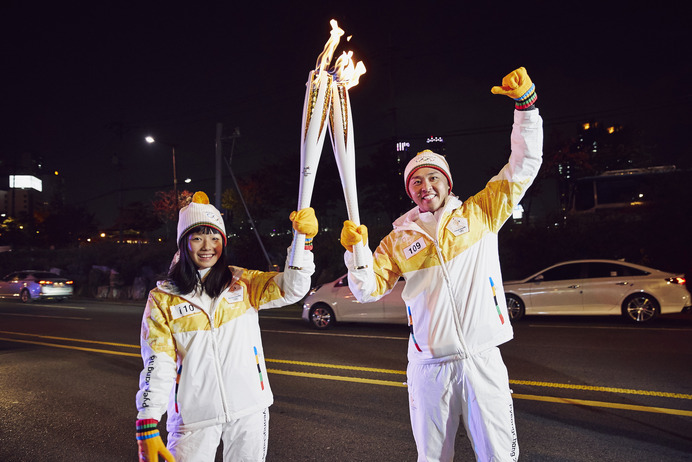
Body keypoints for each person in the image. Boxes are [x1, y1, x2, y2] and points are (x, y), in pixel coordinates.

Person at [340, 67, 543, 461]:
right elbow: (366, 290)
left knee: (500, 457)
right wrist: (357, 253)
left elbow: (523, 167)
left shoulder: (481, 213)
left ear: (448, 183)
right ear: (409, 190)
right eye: (416, 181)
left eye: (433, 178)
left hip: (483, 358)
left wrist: (526, 109)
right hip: (429, 367)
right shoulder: (397, 241)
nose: (425, 186)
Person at [135, 191, 317, 462]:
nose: (207, 246)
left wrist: (303, 242)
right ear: (183, 243)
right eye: (197, 237)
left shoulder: (243, 282)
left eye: (215, 237)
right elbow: (157, 363)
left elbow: (292, 289)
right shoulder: (163, 299)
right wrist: (147, 421)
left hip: (249, 408)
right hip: (193, 417)